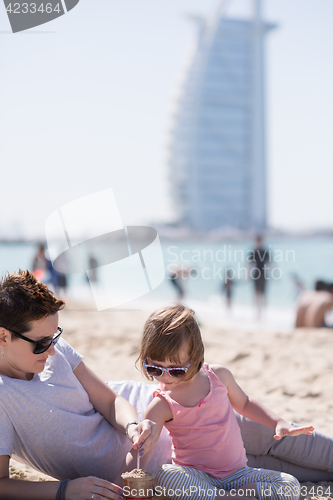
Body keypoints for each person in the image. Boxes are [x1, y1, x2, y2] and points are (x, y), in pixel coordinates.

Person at [0, 272, 333, 500]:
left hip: (186, 404)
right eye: (41, 343)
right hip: (181, 472)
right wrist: (63, 491)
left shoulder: (57, 353)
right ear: (3, 336)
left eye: (56, 337)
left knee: (290, 443)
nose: (53, 349)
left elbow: (109, 399)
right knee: (291, 475)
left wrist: (133, 426)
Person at [136, 304, 315, 500]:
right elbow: (141, 456)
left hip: (239, 475)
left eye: (176, 369)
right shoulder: (161, 405)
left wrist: (278, 422)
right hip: (197, 478)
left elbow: (245, 404)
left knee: (290, 484)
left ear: (195, 355)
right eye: (155, 369)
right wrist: (119, 484)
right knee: (165, 476)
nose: (166, 376)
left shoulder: (218, 376)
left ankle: (227, 497)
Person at [248, 236, 270, 320]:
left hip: (264, 274)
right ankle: (258, 313)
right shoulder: (253, 252)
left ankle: (263, 313)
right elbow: (250, 265)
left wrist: (274, 275)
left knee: (263, 294)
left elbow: (270, 263)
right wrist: (248, 275)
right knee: (257, 294)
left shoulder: (265, 252)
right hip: (256, 274)